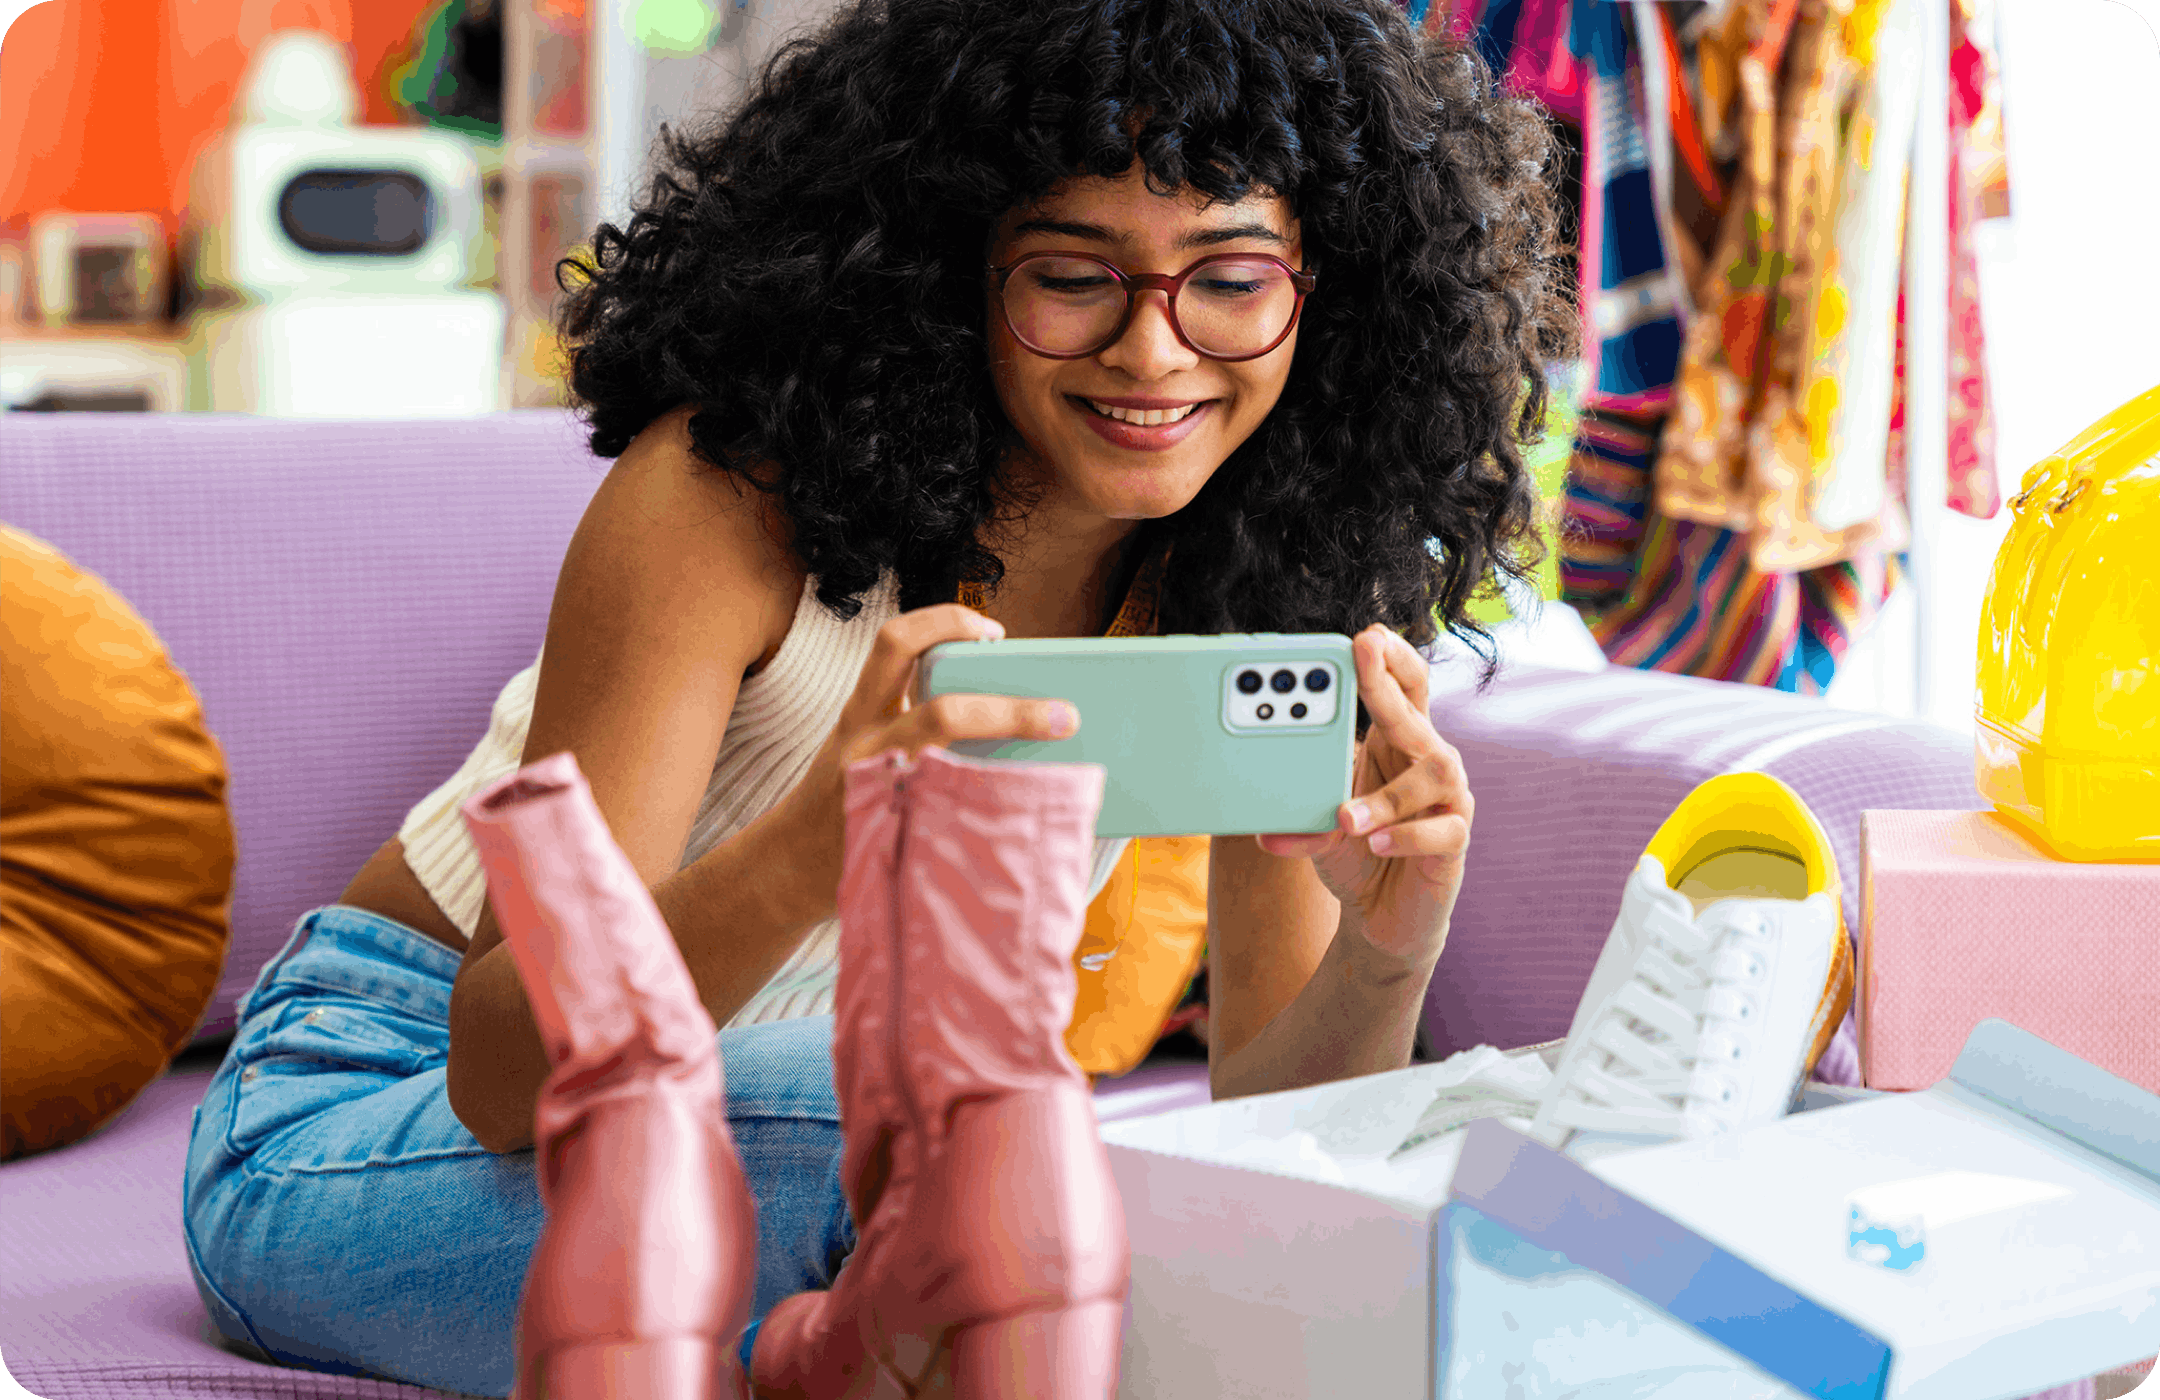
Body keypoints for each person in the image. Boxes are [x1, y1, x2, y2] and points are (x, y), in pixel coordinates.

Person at [181, 0, 1571, 1392]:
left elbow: (1282, 1134)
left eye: (1230, 277)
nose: (1154, 353)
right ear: (946, 269)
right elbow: (503, 1071)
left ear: (1322, 290)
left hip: (814, 1142)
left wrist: (1390, 949)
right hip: (365, 1117)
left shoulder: (1268, 566)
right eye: (1073, 276)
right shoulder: (726, 504)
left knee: (1058, 1201)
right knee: (968, 1150)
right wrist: (818, 841)